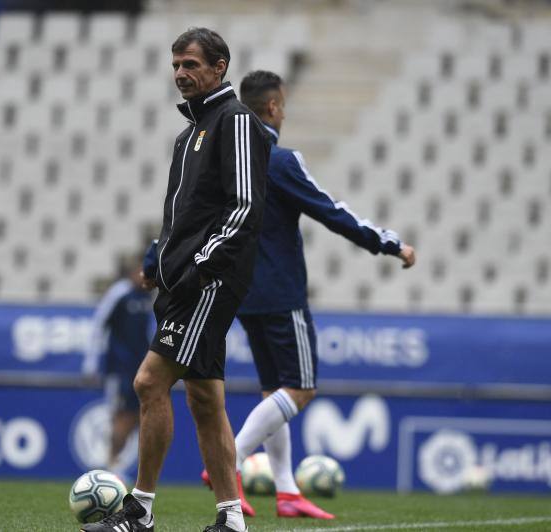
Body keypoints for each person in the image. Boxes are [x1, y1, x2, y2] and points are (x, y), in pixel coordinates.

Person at [202, 70, 416, 518]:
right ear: (275, 108)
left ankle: (286, 491)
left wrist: (151, 261)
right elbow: (332, 212)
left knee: (272, 394)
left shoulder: (223, 161)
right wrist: (389, 243)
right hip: (282, 293)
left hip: (241, 293)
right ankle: (229, 461)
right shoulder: (279, 161)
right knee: (300, 388)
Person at [82, 28, 271, 532]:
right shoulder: (190, 134)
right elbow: (179, 217)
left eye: (190, 64)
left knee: (148, 382)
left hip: (208, 281)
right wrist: (157, 259)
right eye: (176, 66)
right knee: (206, 399)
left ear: (220, 67)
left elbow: (245, 206)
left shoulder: (235, 122)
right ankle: (231, 518)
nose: (181, 74)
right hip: (183, 280)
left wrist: (198, 266)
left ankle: (139, 512)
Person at [83, 255, 153, 476]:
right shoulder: (119, 293)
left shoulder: (148, 296)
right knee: (121, 414)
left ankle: (136, 469)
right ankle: (111, 464)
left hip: (142, 366)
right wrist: (91, 362)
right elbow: (98, 324)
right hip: (120, 367)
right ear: (133, 272)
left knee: (140, 417)